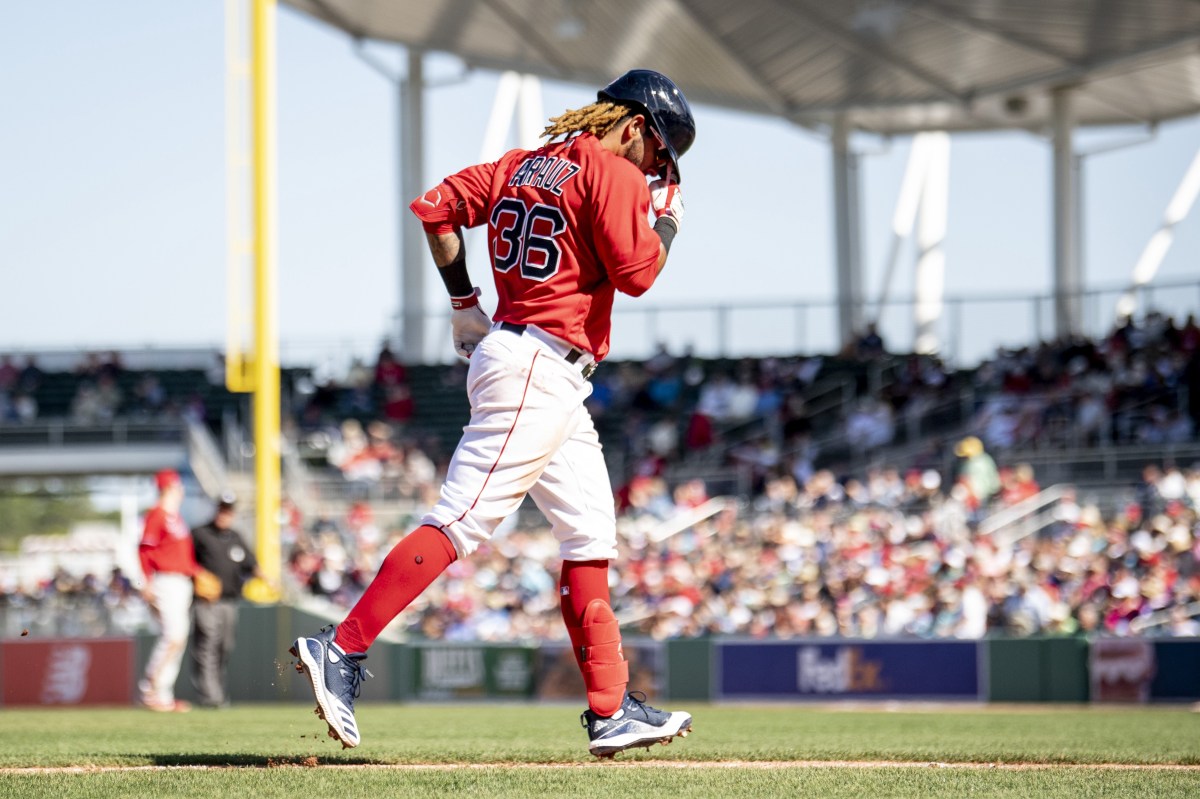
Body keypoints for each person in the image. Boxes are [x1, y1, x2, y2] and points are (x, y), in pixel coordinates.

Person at [290, 68, 695, 756]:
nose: (658, 167)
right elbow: (639, 275)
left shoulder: (520, 164)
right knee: (461, 519)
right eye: (659, 150)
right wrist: (667, 222)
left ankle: (610, 709)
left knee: (590, 535)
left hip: (541, 366)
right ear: (634, 125)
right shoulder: (615, 173)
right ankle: (343, 646)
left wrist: (462, 301)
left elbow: (436, 209)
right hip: (540, 365)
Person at [190, 492, 260, 708]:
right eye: (222, 509)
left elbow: (250, 564)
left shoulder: (236, 537)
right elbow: (187, 561)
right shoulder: (200, 534)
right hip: (206, 601)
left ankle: (218, 692)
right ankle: (210, 695)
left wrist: (268, 578)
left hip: (230, 601)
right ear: (216, 510)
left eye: (228, 510)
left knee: (224, 647)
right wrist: (197, 575)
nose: (224, 514)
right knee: (207, 645)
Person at [137, 468, 198, 712]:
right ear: (170, 487)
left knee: (178, 639)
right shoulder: (157, 514)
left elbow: (180, 554)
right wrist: (146, 582)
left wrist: (197, 573)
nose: (181, 490)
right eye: (178, 485)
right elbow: (144, 550)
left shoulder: (175, 517)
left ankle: (163, 695)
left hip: (181, 581)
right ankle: (150, 690)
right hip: (165, 581)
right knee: (173, 636)